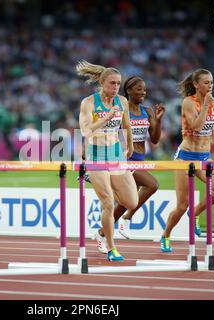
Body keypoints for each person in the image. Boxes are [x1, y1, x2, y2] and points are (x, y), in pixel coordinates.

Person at [77, 60, 138, 261]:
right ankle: (111, 248)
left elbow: (127, 125)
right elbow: (85, 130)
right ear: (102, 83)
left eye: (118, 83)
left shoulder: (122, 101)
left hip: (116, 154)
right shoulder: (89, 102)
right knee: (108, 204)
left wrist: (129, 145)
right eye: (111, 83)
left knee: (131, 201)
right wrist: (106, 117)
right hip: (96, 155)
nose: (115, 87)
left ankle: (101, 232)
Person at [160, 69, 214, 252]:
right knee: (182, 205)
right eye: (206, 83)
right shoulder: (188, 102)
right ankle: (165, 235)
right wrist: (205, 106)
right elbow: (196, 127)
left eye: (211, 82)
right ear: (196, 84)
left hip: (204, 157)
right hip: (185, 157)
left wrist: (210, 143)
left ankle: (195, 213)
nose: (210, 86)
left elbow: (209, 126)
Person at [106, 76, 165, 239]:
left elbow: (154, 139)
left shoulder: (148, 111)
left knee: (126, 201)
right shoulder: (121, 110)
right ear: (129, 91)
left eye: (144, 89)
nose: (143, 92)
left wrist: (159, 121)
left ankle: (102, 234)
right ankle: (127, 218)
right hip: (124, 159)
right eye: (139, 89)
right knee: (152, 185)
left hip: (140, 160)